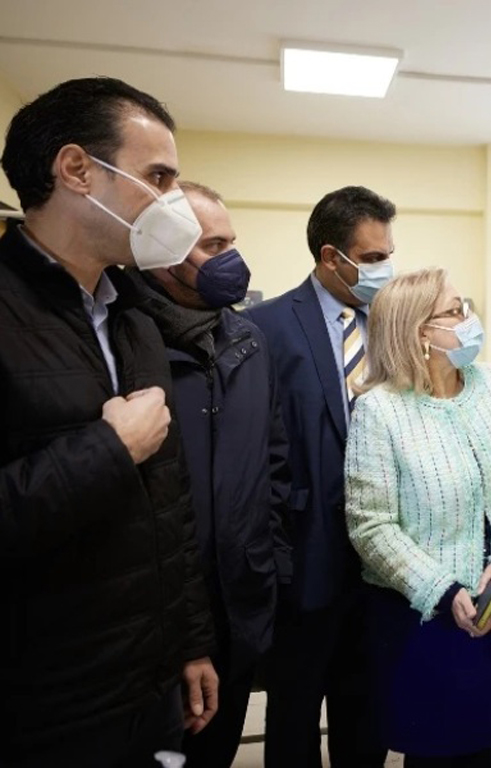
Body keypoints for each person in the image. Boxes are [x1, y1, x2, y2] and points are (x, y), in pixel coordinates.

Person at [0, 77, 218, 767]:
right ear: (76, 170)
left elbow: (170, 499)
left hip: (147, 682)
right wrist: (108, 448)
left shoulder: (134, 316)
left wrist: (188, 641)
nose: (172, 203)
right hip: (41, 702)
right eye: (157, 177)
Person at [346, 267, 491, 767]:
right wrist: (443, 591)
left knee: (483, 742)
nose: (468, 320)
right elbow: (371, 524)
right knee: (438, 751)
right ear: (419, 331)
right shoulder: (380, 411)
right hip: (428, 616)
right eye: (456, 311)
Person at [126, 180, 293, 767]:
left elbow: (273, 462)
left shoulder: (247, 340)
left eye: (231, 242)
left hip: (238, 603)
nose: (232, 260)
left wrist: (272, 566)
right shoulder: (125, 338)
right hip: (156, 621)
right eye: (214, 245)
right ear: (164, 251)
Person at [245, 185, 395, 767]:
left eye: (388, 255)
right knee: (295, 713)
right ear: (331, 257)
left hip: (381, 560)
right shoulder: (266, 327)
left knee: (366, 711)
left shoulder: (390, 328)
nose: (384, 269)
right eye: (372, 258)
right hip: (304, 557)